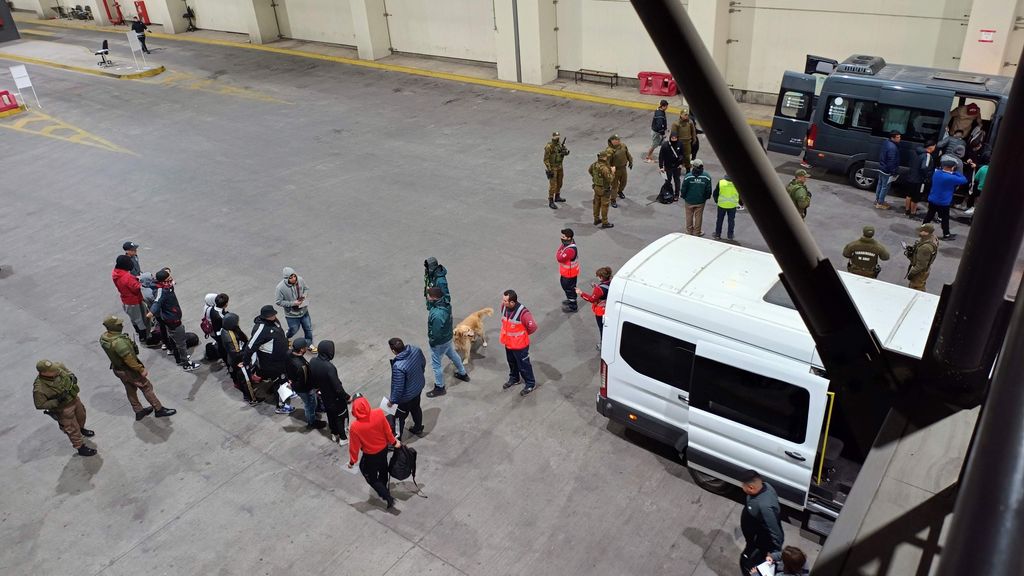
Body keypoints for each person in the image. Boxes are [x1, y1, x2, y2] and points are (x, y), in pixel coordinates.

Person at [100, 315, 176, 421]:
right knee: (146, 387)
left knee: (130, 389)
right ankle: (159, 409)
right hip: (129, 371)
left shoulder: (104, 338)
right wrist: (141, 369)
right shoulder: (119, 342)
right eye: (118, 324)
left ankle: (138, 411)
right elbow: (129, 359)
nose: (121, 324)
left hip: (118, 369)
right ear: (112, 326)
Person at [33, 360, 96, 456]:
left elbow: (67, 371)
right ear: (43, 372)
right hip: (63, 409)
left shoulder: (58, 367)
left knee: (81, 416)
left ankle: (81, 429)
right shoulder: (40, 388)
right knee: (72, 428)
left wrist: (72, 376)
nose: (56, 371)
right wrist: (57, 401)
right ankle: (80, 447)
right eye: (52, 370)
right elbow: (40, 404)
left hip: (74, 399)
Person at [347, 395, 401, 509]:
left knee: (371, 477)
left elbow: (354, 447)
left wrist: (352, 462)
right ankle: (384, 486)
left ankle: (386, 496)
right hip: (383, 449)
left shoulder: (355, 427)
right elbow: (387, 431)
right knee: (383, 469)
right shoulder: (379, 414)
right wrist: (394, 442)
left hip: (371, 455)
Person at [150, 268, 201, 371]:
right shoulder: (161, 291)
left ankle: (176, 354)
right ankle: (186, 363)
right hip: (173, 320)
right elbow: (157, 302)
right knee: (181, 343)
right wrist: (151, 312)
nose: (171, 280)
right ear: (162, 281)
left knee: (175, 339)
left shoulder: (166, 286)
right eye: (168, 278)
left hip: (172, 317)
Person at [248, 304, 294, 414]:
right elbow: (251, 346)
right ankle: (280, 406)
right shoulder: (260, 329)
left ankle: (282, 391)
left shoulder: (274, 322)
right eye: (271, 315)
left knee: (282, 379)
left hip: (280, 359)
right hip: (272, 363)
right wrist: (245, 362)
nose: (274, 316)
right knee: (280, 382)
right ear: (265, 317)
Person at [425, 286, 470, 397]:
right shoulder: (446, 304)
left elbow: (436, 333)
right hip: (448, 338)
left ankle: (440, 387)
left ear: (434, 298)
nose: (427, 296)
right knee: (453, 355)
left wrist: (432, 342)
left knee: (436, 365)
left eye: (429, 295)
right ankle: (462, 373)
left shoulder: (437, 315)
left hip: (439, 342)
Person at [739, 470, 785, 576]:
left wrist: (775, 551)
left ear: (751, 487)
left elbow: (775, 529)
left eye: (743, 486)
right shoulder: (766, 486)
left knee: (748, 560)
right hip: (754, 534)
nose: (742, 488)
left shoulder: (765, 507)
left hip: (760, 539)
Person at [309, 340, 351, 445]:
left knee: (330, 414)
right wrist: (346, 397)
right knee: (341, 416)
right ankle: (343, 437)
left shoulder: (313, 361)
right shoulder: (329, 368)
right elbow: (337, 387)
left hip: (324, 395)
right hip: (335, 398)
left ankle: (334, 433)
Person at [500, 289, 539, 396]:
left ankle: (530, 383)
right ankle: (514, 378)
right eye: (503, 300)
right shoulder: (504, 307)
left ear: (512, 302)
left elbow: (533, 327)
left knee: (524, 365)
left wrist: (523, 335)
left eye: (505, 301)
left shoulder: (523, 313)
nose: (503, 302)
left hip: (520, 345)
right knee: (511, 362)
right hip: (508, 343)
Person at [388, 338, 426, 439]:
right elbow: (423, 363)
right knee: (416, 408)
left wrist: (392, 401)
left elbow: (398, 387)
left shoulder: (398, 366)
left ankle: (396, 440)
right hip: (418, 388)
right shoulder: (416, 350)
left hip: (405, 398)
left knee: (398, 418)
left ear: (393, 350)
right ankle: (418, 428)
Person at [922, 159, 967, 241]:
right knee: (945, 218)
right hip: (943, 202)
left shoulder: (937, 173)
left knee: (929, 215)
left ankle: (923, 230)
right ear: (952, 168)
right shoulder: (951, 177)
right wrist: (956, 172)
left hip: (933, 199)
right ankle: (946, 234)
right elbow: (964, 180)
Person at [220, 312, 257, 404]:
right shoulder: (230, 337)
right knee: (246, 381)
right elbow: (236, 353)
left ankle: (246, 392)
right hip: (239, 361)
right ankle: (252, 399)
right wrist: (246, 357)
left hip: (236, 358)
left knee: (242, 378)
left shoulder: (228, 329)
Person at [287, 338, 324, 429]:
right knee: (310, 405)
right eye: (305, 347)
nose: (307, 348)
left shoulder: (288, 354)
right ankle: (312, 422)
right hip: (305, 390)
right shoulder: (302, 366)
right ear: (301, 350)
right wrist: (292, 385)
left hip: (295, 382)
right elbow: (302, 383)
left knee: (310, 403)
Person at [112, 254, 150, 342]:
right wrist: (141, 282)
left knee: (134, 319)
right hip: (134, 301)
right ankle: (144, 336)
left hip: (126, 300)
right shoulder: (127, 277)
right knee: (140, 320)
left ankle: (139, 332)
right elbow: (136, 287)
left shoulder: (116, 273)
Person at [276, 267, 315, 352]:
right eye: (291, 277)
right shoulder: (280, 288)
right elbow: (278, 302)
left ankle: (309, 344)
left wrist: (304, 296)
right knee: (294, 329)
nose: (294, 279)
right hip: (291, 314)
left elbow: (306, 288)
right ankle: (287, 335)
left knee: (308, 328)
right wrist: (293, 303)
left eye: (294, 276)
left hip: (304, 311)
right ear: (286, 278)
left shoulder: (300, 280)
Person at [576, 267, 611, 349]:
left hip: (600, 312)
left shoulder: (599, 289)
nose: (597, 277)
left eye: (598, 276)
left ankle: (603, 346)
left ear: (601, 277)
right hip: (609, 308)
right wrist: (596, 287)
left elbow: (592, 299)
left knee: (602, 328)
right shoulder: (611, 282)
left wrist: (581, 293)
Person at [681, 159, 713, 236]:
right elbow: (708, 189)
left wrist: (684, 196)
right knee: (699, 217)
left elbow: (684, 188)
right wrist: (706, 197)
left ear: (693, 167)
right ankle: (697, 232)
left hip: (689, 200)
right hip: (700, 201)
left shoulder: (688, 176)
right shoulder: (706, 176)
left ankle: (689, 231)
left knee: (689, 216)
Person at [904, 140, 935, 217]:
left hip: (911, 176)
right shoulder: (927, 155)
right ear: (931, 147)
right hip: (919, 179)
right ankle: (913, 213)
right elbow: (924, 167)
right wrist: (927, 176)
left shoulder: (916, 151)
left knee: (909, 195)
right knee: (916, 197)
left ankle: (907, 210)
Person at [906, 224, 938, 291]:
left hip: (920, 273)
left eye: (921, 231)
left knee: (916, 288)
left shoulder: (925, 248)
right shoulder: (933, 238)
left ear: (926, 233)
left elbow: (921, 266)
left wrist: (911, 274)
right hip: (925, 267)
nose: (919, 232)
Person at [874, 131, 901, 209]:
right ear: (892, 138)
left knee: (880, 184)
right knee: (885, 187)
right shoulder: (893, 147)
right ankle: (880, 203)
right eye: (898, 137)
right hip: (887, 170)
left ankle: (877, 200)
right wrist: (893, 172)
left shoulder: (886, 142)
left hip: (882, 167)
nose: (900, 139)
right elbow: (891, 161)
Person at [556, 228, 580, 313]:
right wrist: (561, 249)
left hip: (570, 274)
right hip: (566, 273)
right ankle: (570, 300)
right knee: (565, 287)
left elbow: (559, 258)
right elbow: (560, 252)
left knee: (569, 289)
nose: (561, 237)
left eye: (563, 236)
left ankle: (573, 306)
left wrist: (560, 251)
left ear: (569, 238)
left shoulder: (570, 250)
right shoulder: (567, 244)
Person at [543, 131, 569, 209]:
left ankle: (557, 196)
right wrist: (549, 169)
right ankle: (551, 200)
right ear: (553, 137)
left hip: (560, 166)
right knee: (553, 185)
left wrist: (565, 152)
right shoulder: (549, 147)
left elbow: (564, 152)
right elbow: (545, 159)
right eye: (556, 137)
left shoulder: (560, 145)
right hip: (553, 167)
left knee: (560, 182)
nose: (557, 139)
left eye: (558, 137)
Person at [589, 150, 614, 229]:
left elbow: (590, 171)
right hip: (604, 189)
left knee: (596, 204)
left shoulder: (594, 165)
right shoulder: (604, 168)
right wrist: (613, 172)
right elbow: (610, 179)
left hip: (596, 187)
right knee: (604, 205)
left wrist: (596, 178)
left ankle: (596, 219)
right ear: (604, 157)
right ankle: (605, 222)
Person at [606, 134, 633, 206]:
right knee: (614, 186)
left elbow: (628, 154)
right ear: (612, 141)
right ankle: (613, 200)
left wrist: (630, 161)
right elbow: (607, 162)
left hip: (623, 168)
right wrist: (610, 170)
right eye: (617, 139)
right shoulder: (609, 150)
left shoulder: (623, 146)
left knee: (624, 182)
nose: (619, 141)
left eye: (619, 139)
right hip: (615, 170)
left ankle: (620, 191)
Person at [658, 132, 684, 203]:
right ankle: (668, 192)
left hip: (677, 166)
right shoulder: (665, 145)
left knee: (677, 181)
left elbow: (682, 154)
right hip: (668, 166)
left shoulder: (680, 144)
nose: (674, 139)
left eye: (675, 138)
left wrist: (681, 163)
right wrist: (661, 167)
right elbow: (661, 156)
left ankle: (676, 195)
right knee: (667, 181)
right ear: (670, 138)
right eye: (672, 138)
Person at [713, 174, 740, 240]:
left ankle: (717, 234)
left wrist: (717, 201)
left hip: (722, 205)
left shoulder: (721, 182)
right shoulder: (737, 184)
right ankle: (730, 235)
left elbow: (715, 193)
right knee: (731, 221)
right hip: (732, 205)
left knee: (719, 220)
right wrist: (739, 203)